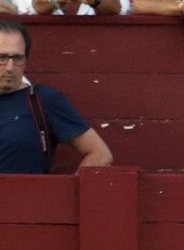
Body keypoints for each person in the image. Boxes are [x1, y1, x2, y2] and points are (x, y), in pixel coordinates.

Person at [2, 21, 119, 167]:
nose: (10, 67)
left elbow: (100, 154)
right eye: (2, 57)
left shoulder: (43, 100)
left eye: (18, 58)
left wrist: (75, 183)